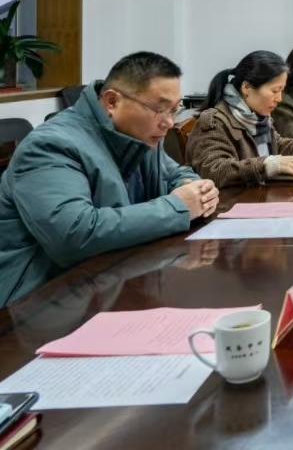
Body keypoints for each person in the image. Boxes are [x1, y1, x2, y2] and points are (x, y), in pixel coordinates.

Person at [0, 52, 219, 306]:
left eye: (174, 109)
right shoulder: (51, 145)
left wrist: (194, 188)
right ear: (112, 101)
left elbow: (175, 174)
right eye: (159, 109)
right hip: (40, 301)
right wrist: (178, 207)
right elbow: (74, 235)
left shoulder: (139, 134)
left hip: (114, 278)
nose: (169, 123)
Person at [186, 51, 293, 188]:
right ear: (247, 87)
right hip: (231, 203)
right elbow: (214, 171)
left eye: (281, 91)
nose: (279, 98)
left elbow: (277, 144)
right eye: (275, 91)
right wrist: (268, 165)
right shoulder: (215, 122)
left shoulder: (257, 117)